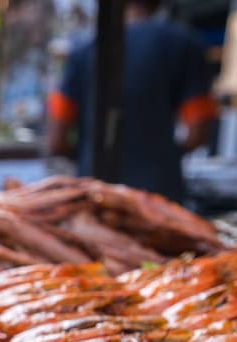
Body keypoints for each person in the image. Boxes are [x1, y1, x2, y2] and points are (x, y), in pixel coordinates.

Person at [48, 0, 217, 201]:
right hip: (158, 197)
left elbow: (57, 141)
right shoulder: (184, 44)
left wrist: (87, 156)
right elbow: (198, 133)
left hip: (94, 195)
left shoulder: (82, 51)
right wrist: (163, 157)